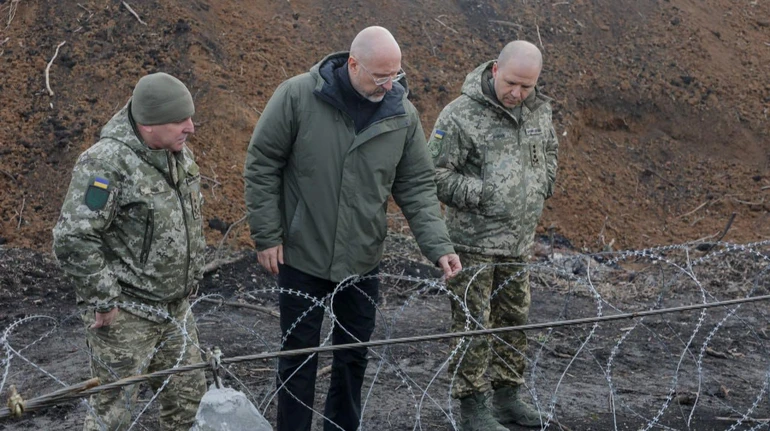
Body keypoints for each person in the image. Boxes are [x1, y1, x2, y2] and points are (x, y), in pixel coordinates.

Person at [244, 26, 462, 431]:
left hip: (362, 258)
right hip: (302, 252)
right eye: (381, 76)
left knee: (353, 357)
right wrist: (268, 235)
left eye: (395, 74)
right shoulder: (298, 96)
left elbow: (416, 185)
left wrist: (439, 246)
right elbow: (262, 163)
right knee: (298, 358)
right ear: (353, 64)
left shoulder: (402, 115)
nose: (389, 85)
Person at [53, 72, 207, 430]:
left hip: (175, 310)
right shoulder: (105, 164)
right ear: (148, 124)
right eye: (179, 120)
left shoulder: (177, 155)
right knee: (113, 415)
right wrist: (103, 298)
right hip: (127, 315)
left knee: (188, 404)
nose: (190, 127)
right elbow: (74, 236)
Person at [429, 40, 558, 430]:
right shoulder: (460, 115)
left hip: (518, 242)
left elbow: (549, 151)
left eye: (527, 86)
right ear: (495, 70)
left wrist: (543, 183)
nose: (517, 93)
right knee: (473, 324)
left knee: (514, 320)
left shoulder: (538, 112)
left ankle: (507, 398)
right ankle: (473, 406)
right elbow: (434, 175)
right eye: (511, 83)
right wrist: (484, 193)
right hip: (473, 244)